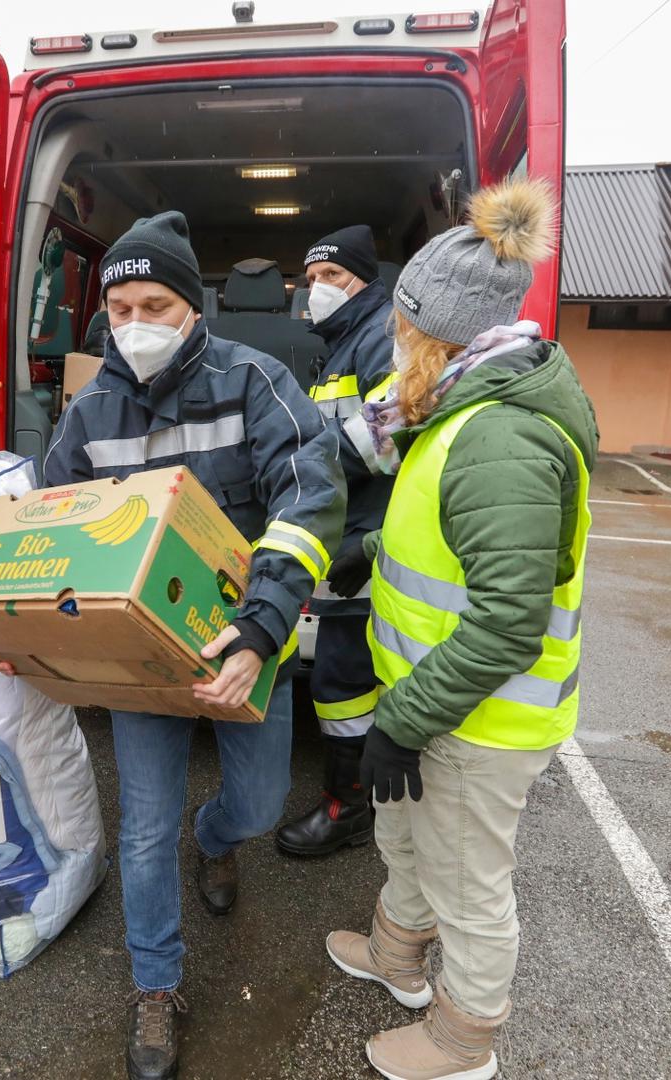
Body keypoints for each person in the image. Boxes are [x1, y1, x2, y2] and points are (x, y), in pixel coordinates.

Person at [0, 211, 345, 1080]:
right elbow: (48, 528)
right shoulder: (91, 410)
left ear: (193, 307)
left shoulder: (255, 382)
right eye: (118, 305)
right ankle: (156, 985)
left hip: (243, 644)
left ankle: (215, 837)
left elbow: (309, 501)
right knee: (142, 831)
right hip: (142, 663)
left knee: (256, 806)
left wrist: (259, 631)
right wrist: (18, 629)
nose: (133, 322)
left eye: (155, 303)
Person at [321, 177, 596, 1080]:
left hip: (480, 719)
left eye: (405, 329)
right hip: (435, 701)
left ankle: (462, 1039)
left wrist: (402, 720)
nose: (395, 344)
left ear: (440, 336)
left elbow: (509, 623)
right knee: (406, 839)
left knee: (469, 883)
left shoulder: (502, 440)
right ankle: (398, 958)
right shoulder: (459, 403)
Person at [275, 224, 396, 858]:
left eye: (332, 277)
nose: (317, 289)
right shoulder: (345, 341)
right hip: (348, 530)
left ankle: (350, 809)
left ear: (364, 282)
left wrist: (299, 468)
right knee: (344, 675)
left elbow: (394, 429)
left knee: (344, 681)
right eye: (311, 278)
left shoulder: (380, 337)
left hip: (371, 538)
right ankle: (360, 799)